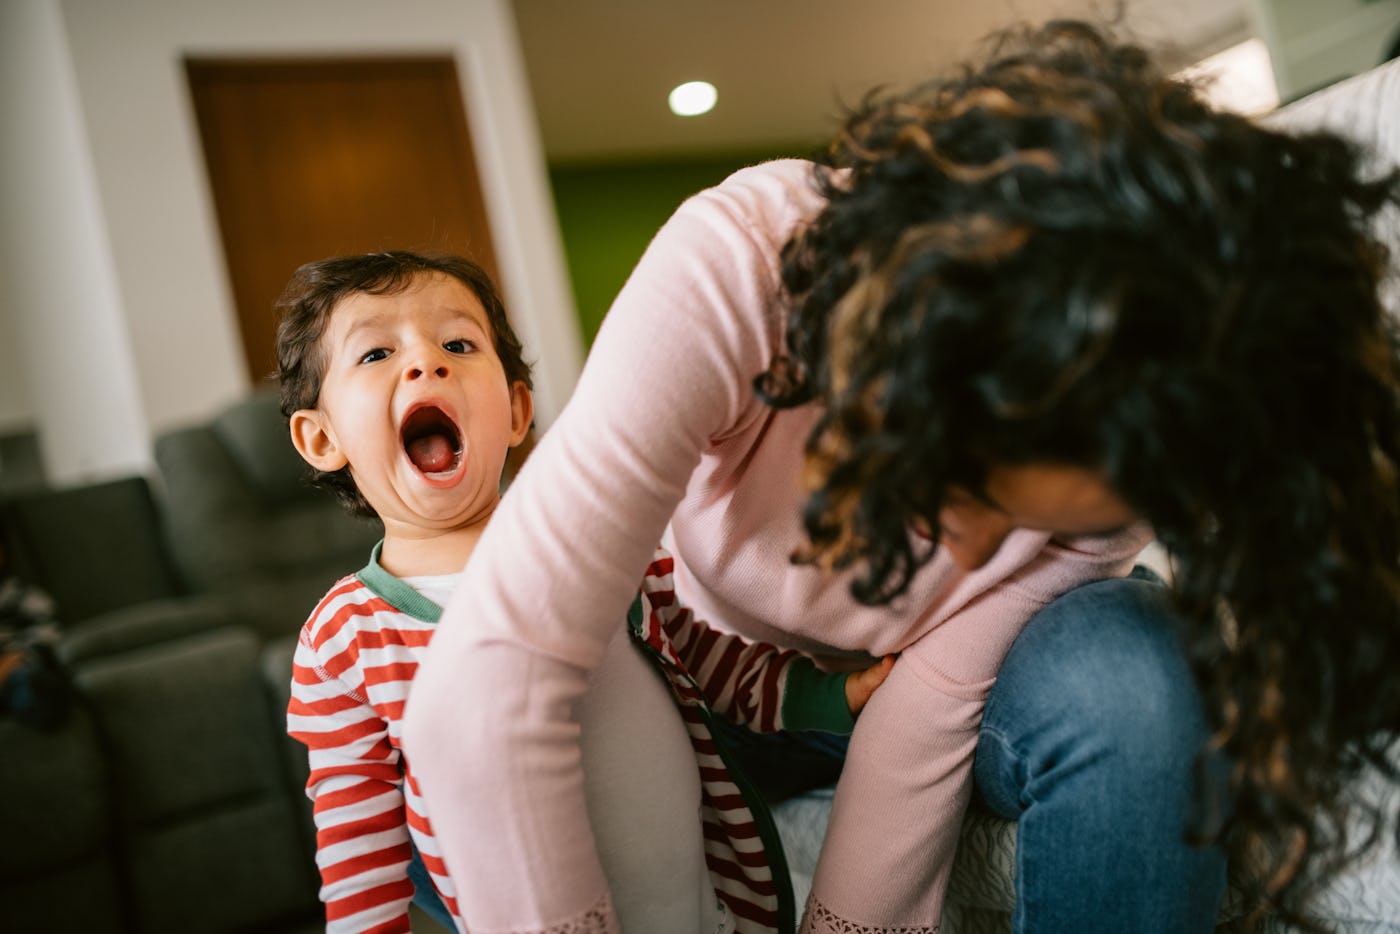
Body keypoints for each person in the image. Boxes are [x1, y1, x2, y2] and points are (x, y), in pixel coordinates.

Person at [403, 18, 1400, 934]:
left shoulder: (1137, 438)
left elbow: (930, 692)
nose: (965, 556)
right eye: (962, 488)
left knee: (1133, 671)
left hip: (931, 701)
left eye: (1037, 530)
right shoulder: (741, 263)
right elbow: (486, 676)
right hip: (722, 690)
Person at [276, 250, 891, 933]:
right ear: (322, 437)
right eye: (375, 354)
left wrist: (828, 696)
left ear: (515, 412)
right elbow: (359, 855)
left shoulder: (603, 544)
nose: (426, 362)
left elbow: (711, 661)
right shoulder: (345, 637)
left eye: (457, 343)